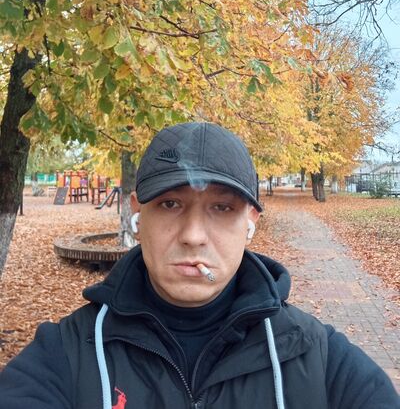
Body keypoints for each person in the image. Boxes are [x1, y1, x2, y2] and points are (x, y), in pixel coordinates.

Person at [0, 122, 398, 409]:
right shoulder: (65, 355)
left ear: (250, 223)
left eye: (221, 208)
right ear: (137, 215)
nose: (193, 235)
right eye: (170, 204)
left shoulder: (319, 359)